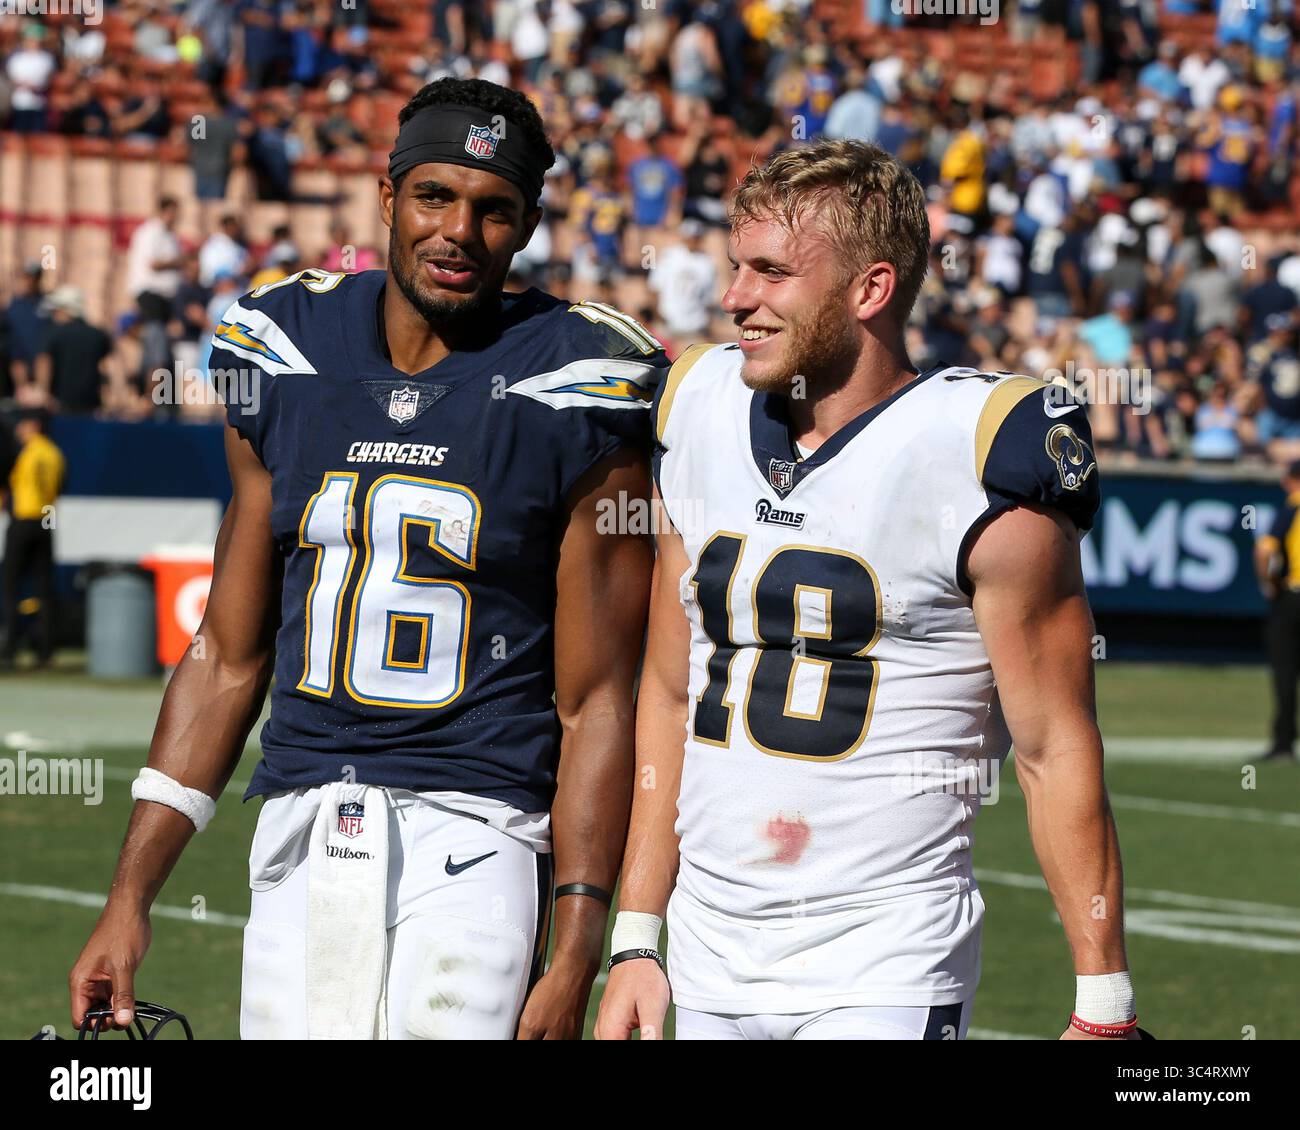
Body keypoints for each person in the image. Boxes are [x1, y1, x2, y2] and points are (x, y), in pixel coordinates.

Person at [70, 77, 668, 1041]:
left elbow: (595, 698)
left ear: (524, 228)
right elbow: (227, 656)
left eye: (493, 210)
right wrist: (130, 896)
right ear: (387, 199)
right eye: (435, 196)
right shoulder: (286, 349)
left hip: (477, 833)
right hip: (302, 823)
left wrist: (576, 953)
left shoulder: (577, 381)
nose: (459, 232)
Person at [596, 140, 1139, 1042]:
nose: (736, 298)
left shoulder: (975, 447)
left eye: (771, 272)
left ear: (871, 289)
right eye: (738, 268)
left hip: (884, 961)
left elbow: (1053, 748)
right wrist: (637, 938)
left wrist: (1105, 1007)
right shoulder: (697, 402)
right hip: (703, 957)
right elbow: (667, 690)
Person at [0, 408, 64, 668]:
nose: (19, 429)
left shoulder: (24, 451)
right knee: (44, 588)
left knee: (9, 585)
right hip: (47, 520)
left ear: (34, 425)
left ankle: (9, 648)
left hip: (24, 518)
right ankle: (46, 649)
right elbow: (60, 486)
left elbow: (9, 481)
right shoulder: (55, 453)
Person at [1254, 460, 1300, 763]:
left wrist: (1268, 584)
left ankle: (1284, 742)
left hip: (1293, 596)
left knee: (1285, 670)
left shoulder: (1292, 507)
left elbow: (1265, 551)